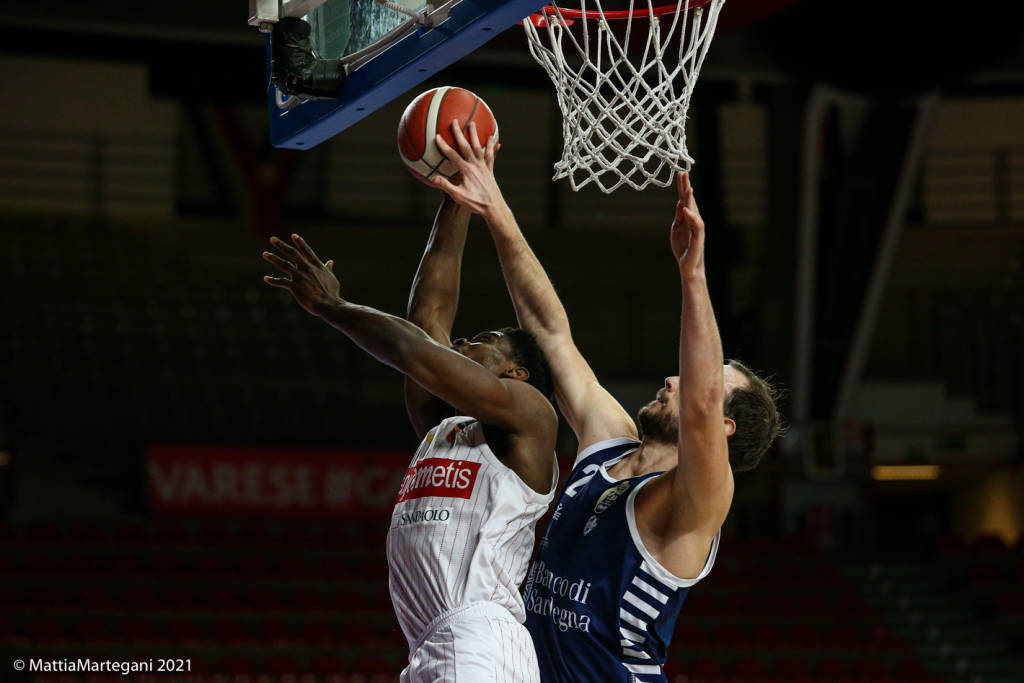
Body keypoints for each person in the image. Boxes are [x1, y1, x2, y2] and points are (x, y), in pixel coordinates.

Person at [432, 122, 781, 682]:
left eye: (699, 383)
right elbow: (549, 332)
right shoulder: (609, 441)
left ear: (724, 426)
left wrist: (693, 276)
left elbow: (698, 405)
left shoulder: (696, 504)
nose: (673, 380)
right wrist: (492, 205)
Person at [261, 183, 559, 682]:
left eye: (483, 342)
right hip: (429, 644)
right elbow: (428, 320)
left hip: (481, 639)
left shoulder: (530, 414)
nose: (463, 340)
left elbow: (413, 350)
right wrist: (457, 196)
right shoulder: (445, 426)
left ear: (516, 374)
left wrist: (332, 307)